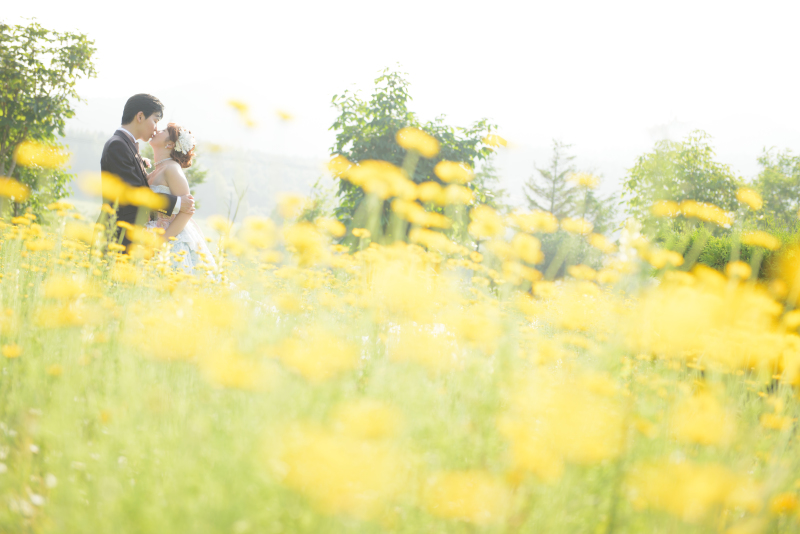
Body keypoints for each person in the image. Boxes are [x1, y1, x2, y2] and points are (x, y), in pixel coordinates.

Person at [99, 94, 195, 246]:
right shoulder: (119, 145)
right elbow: (133, 193)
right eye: (155, 121)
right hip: (120, 236)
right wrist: (177, 203)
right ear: (140, 116)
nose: (156, 129)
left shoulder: (127, 145)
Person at [145, 123, 216, 274]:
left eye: (163, 130)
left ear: (170, 144)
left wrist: (162, 242)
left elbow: (188, 211)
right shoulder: (158, 169)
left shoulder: (172, 168)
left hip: (170, 239)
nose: (157, 130)